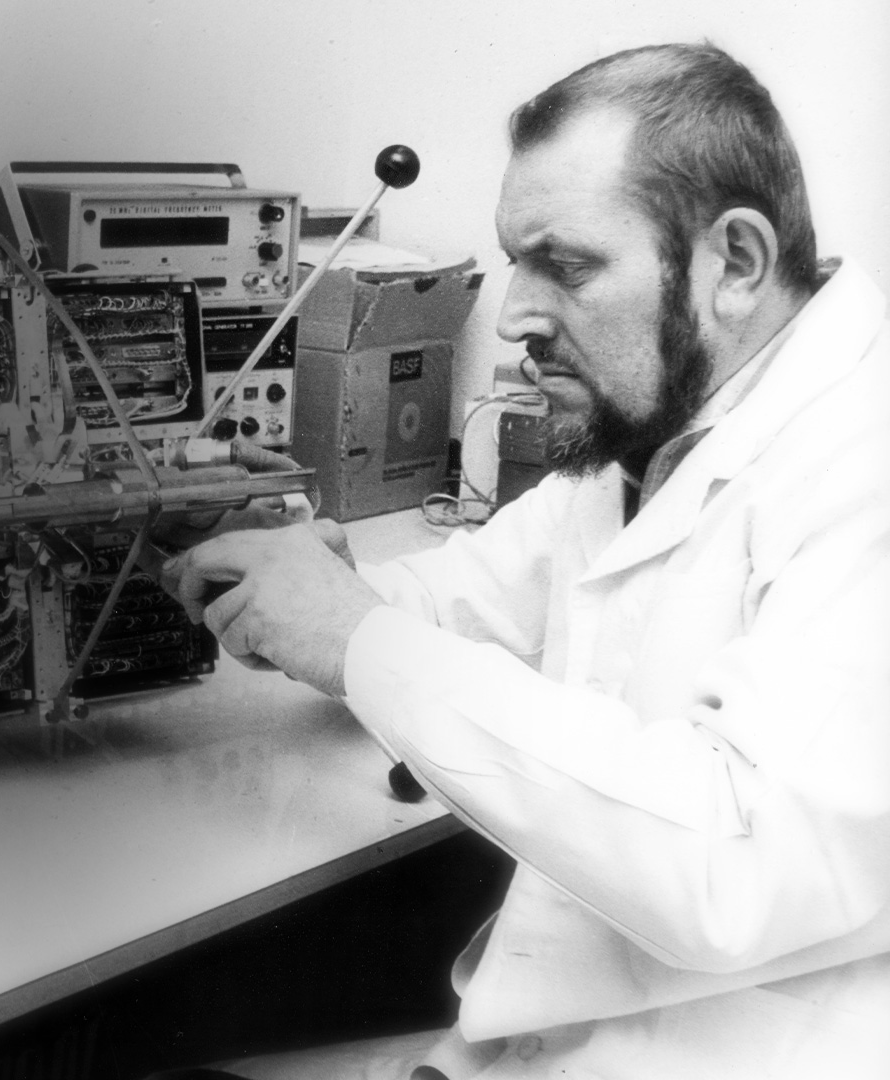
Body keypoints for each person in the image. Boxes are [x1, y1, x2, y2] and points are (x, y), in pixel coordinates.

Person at [159, 43, 890, 1079]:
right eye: (516, 261)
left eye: (568, 267)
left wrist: (352, 634)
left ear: (734, 262)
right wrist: (283, 570)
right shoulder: (667, 425)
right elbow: (460, 603)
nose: (513, 317)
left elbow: (733, 868)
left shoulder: (862, 460)